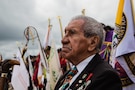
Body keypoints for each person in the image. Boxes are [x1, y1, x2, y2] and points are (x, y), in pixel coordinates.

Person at [54, 15, 122, 90]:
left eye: (72, 33)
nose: (63, 40)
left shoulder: (106, 77)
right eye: (65, 33)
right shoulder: (66, 75)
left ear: (93, 42)